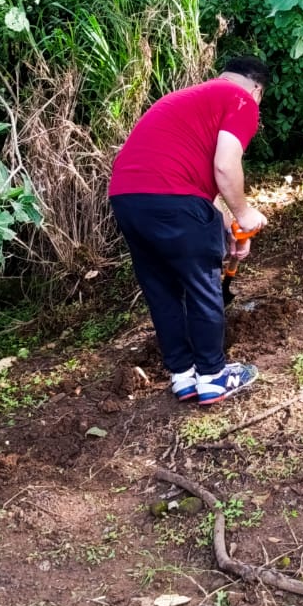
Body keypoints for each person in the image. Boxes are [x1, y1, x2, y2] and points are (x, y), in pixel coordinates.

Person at [108, 56, 270, 405]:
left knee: (161, 289)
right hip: (174, 199)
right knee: (202, 284)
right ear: (257, 89)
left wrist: (229, 226)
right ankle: (212, 377)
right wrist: (244, 213)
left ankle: (182, 376)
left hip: (127, 199)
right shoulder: (242, 100)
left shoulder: (183, 99)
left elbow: (194, 185)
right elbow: (225, 166)